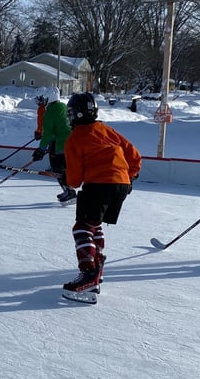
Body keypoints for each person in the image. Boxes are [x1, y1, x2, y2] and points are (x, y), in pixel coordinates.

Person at [61, 91, 142, 296]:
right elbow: (134, 156)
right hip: (121, 185)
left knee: (82, 228)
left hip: (98, 185)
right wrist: (128, 177)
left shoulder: (74, 138)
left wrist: (66, 177)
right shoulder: (106, 130)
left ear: (74, 114)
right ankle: (97, 268)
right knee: (94, 225)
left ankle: (89, 273)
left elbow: (74, 180)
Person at [31, 89, 75, 202]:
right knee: (64, 169)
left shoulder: (50, 111)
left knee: (57, 169)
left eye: (45, 99)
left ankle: (69, 192)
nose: (43, 101)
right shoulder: (63, 106)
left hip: (60, 144)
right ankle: (69, 190)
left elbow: (48, 133)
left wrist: (41, 149)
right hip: (71, 142)